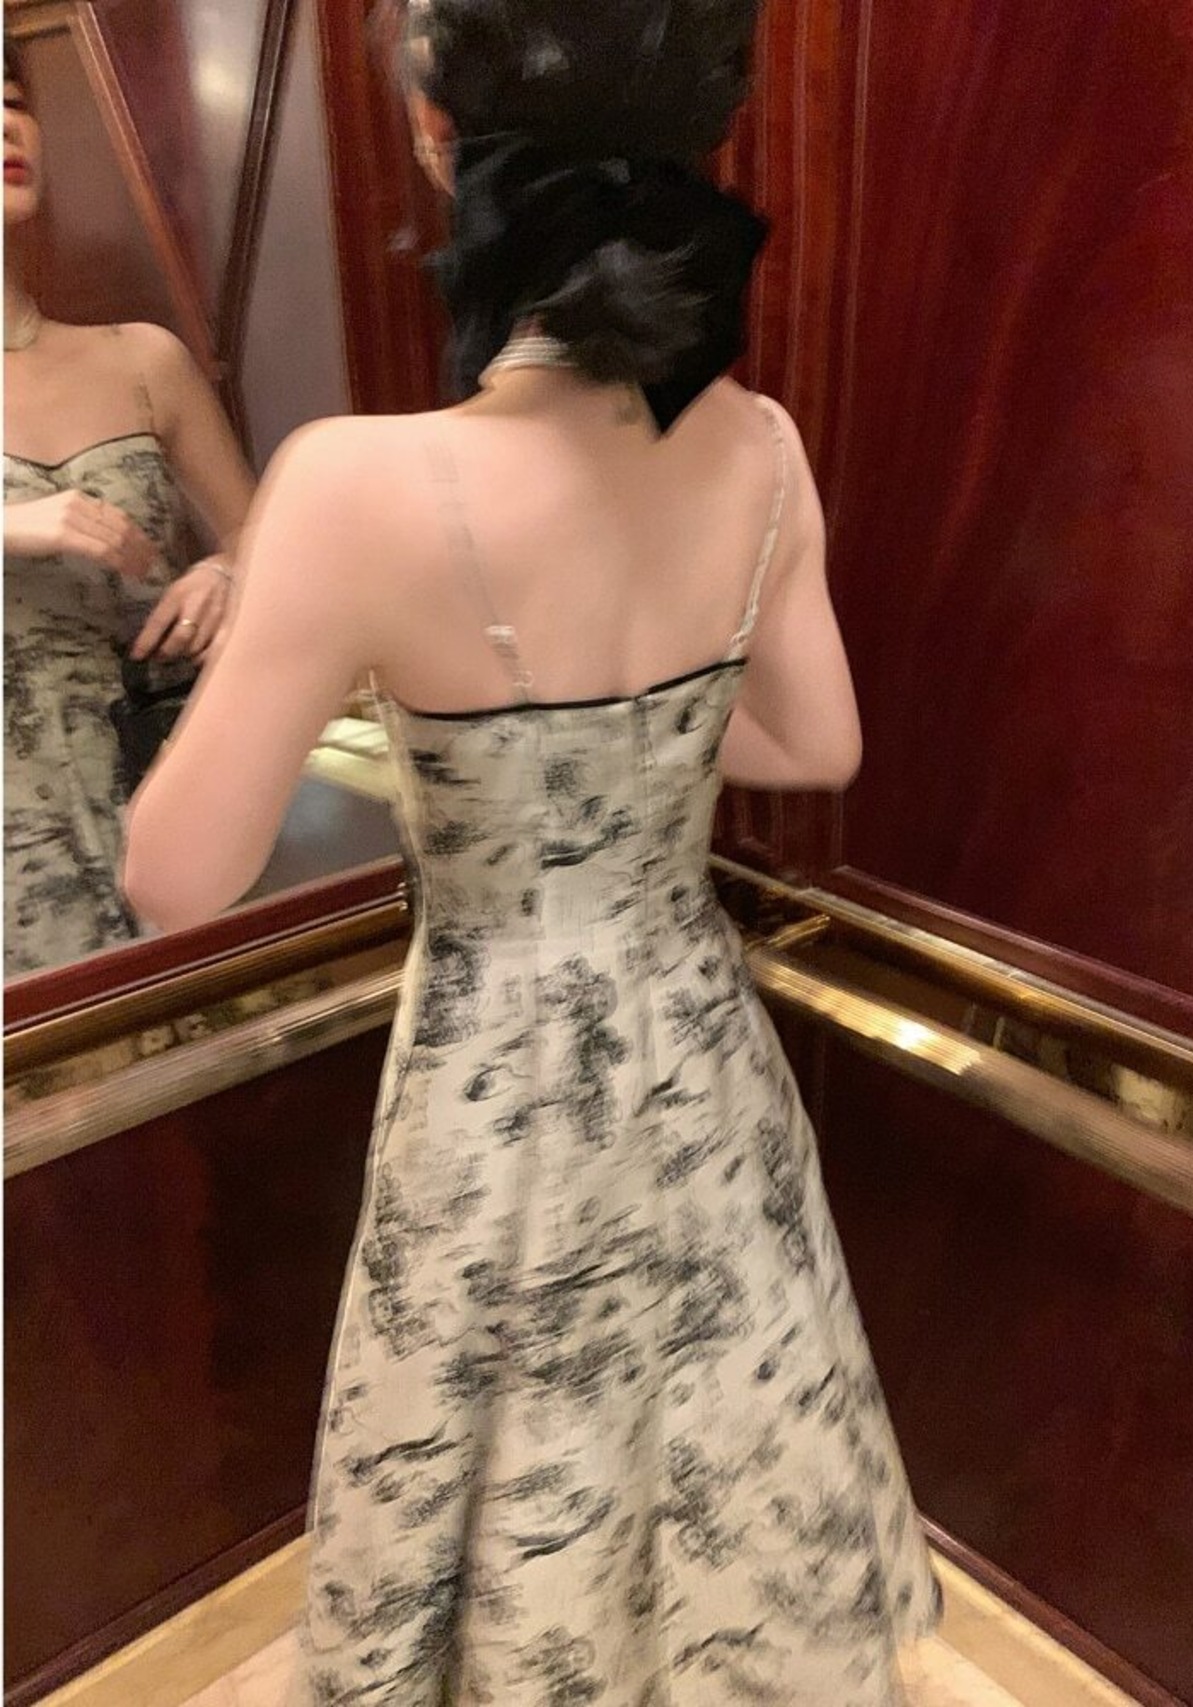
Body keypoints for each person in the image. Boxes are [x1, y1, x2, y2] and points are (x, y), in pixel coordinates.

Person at [123, 0, 941, 1699]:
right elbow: (820, 747)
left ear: (441, 135)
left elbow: (173, 878)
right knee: (711, 1432)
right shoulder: (761, 444)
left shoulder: (355, 482)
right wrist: (631, 766)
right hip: (697, 1042)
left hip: (490, 1077)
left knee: (512, 1460)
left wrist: (289, 603)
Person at [3, 38, 254, 976]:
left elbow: (263, 537)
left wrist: (229, 569)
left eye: (12, 99)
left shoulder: (141, 359)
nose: (6, 124)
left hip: (167, 808)